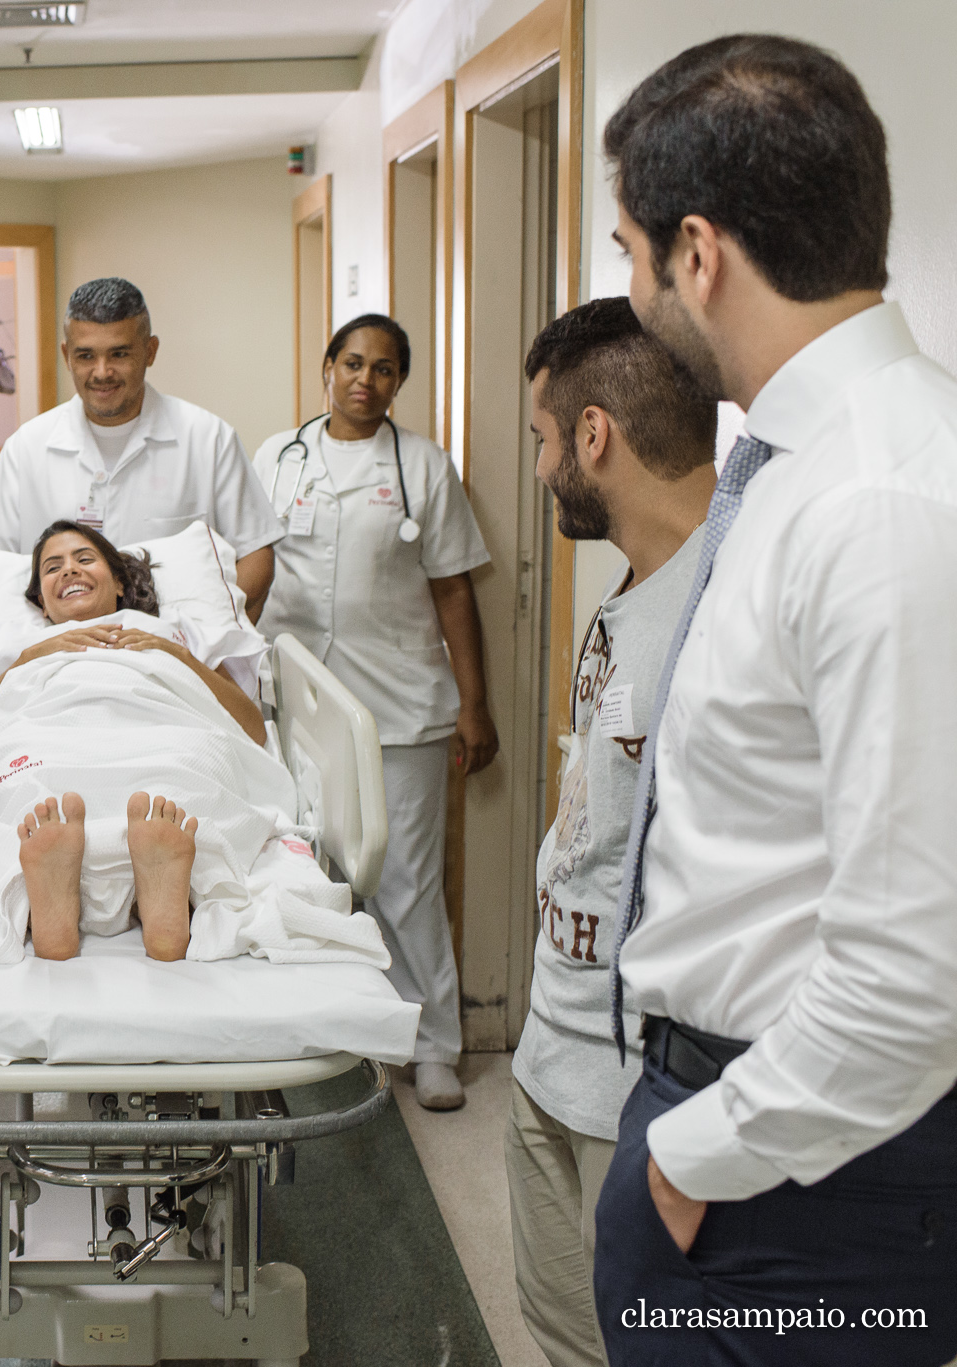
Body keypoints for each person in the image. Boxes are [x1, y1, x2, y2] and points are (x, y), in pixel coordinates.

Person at [595, 37, 957, 1367]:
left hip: (806, 1173)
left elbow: (919, 972)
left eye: (630, 252)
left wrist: (693, 1161)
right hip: (735, 1113)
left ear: (700, 254)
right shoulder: (789, 470)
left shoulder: (881, 504)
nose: (631, 291)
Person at [505, 299, 715, 1367]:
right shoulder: (626, 593)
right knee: (556, 1325)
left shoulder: (722, 609)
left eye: (542, 439)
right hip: (553, 1038)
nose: (539, 466)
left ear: (593, 436)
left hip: (638, 1080)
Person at [252, 314, 495, 1111]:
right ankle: (332, 1032)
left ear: (399, 382)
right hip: (298, 700)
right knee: (305, 870)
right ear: (325, 367)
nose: (365, 379)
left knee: (407, 879)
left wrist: (474, 705)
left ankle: (432, 1046)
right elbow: (247, 575)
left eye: (384, 368)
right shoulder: (276, 459)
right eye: (352, 362)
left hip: (403, 703)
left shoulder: (424, 466)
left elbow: (455, 588)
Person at [0, 523, 266, 962]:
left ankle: (144, 897)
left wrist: (176, 656)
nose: (68, 571)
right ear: (40, 602)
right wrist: (31, 658)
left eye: (84, 559)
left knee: (191, 767)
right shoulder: (13, 645)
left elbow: (252, 729)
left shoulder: (175, 631)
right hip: (46, 731)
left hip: (163, 728)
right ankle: (87, 899)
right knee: (20, 778)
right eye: (52, 567)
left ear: (119, 582)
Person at [0, 277, 282, 620]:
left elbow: (255, 554)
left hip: (175, 653)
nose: (102, 372)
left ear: (150, 351)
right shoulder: (27, 447)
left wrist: (204, 635)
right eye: (86, 356)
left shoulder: (207, 438)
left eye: (119, 354)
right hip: (56, 654)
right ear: (67, 355)